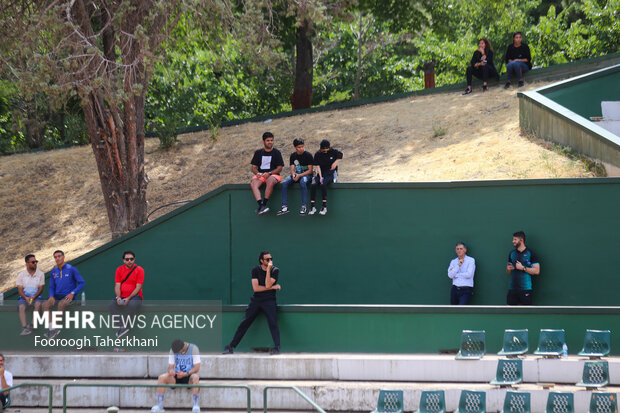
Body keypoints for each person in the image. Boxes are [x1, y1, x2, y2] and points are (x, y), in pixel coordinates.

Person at [223, 251, 281, 355]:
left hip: (269, 300)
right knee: (245, 322)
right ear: (261, 261)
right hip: (256, 300)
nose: (270, 261)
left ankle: (277, 348)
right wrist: (273, 287)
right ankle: (230, 347)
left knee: (273, 323)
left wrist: (268, 270)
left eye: (271, 259)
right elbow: (256, 288)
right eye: (267, 259)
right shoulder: (255, 270)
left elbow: (267, 284)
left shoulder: (275, 270)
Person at [42, 250, 86, 339]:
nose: (57, 258)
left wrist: (72, 293)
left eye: (59, 256)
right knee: (44, 304)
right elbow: (51, 287)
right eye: (55, 257)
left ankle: (55, 328)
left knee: (61, 304)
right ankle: (52, 329)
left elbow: (82, 283)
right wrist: (51, 296)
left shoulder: (71, 269)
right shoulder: (53, 272)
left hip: (68, 296)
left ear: (63, 257)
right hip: (56, 296)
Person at [151, 339, 201, 413]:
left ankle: (196, 406)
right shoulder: (173, 350)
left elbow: (196, 368)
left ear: (183, 348)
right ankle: (160, 406)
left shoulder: (194, 349)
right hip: (177, 375)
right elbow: (170, 367)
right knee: (161, 377)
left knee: (196, 377)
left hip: (189, 375)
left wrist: (185, 374)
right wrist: (171, 371)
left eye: (178, 352)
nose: (177, 353)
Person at [109, 250, 145, 338]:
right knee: (111, 305)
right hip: (121, 296)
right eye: (127, 259)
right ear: (124, 260)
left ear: (134, 260)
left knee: (131, 305)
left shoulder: (140, 270)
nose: (129, 261)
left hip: (135, 297)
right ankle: (122, 327)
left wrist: (128, 298)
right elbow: (117, 285)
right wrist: (118, 297)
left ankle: (125, 326)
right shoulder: (119, 269)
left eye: (131, 259)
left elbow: (138, 287)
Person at [250, 132, 284, 215]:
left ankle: (264, 204)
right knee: (253, 183)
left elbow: (280, 168)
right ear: (263, 141)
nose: (270, 142)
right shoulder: (258, 152)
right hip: (261, 175)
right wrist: (257, 173)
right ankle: (261, 205)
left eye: (272, 140)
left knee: (270, 180)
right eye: (268, 140)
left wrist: (269, 173)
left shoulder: (277, 152)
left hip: (273, 175)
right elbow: (253, 167)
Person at [277, 138, 314, 215]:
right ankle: (284, 206)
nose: (301, 149)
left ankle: (304, 206)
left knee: (302, 182)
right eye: (299, 147)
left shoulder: (308, 155)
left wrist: (299, 175)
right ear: (295, 147)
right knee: (284, 183)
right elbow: (292, 169)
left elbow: (310, 171)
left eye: (302, 146)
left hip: (306, 175)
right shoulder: (293, 156)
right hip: (297, 175)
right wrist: (293, 174)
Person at [309, 140, 343, 215]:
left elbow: (340, 155)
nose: (325, 152)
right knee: (313, 184)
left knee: (323, 184)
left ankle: (324, 206)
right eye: (323, 150)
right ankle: (312, 207)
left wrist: (335, 162)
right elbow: (317, 166)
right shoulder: (318, 154)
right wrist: (320, 177)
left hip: (330, 173)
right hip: (321, 173)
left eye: (326, 150)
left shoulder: (333, 151)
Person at [506, 231, 540, 305]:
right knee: (509, 313)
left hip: (525, 290)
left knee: (526, 314)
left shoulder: (531, 253)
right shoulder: (512, 253)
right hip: (512, 290)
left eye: (515, 239)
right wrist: (508, 269)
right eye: (513, 239)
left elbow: (537, 271)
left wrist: (523, 268)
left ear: (521, 240)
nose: (513, 241)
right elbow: (508, 272)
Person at [16, 254, 45, 336]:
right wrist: (26, 298)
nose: (35, 263)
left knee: (38, 304)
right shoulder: (21, 275)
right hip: (24, 296)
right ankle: (24, 328)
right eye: (33, 262)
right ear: (27, 263)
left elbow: (41, 288)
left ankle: (31, 325)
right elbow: (20, 289)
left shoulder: (41, 274)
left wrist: (33, 297)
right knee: (21, 307)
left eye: (36, 261)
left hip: (36, 296)